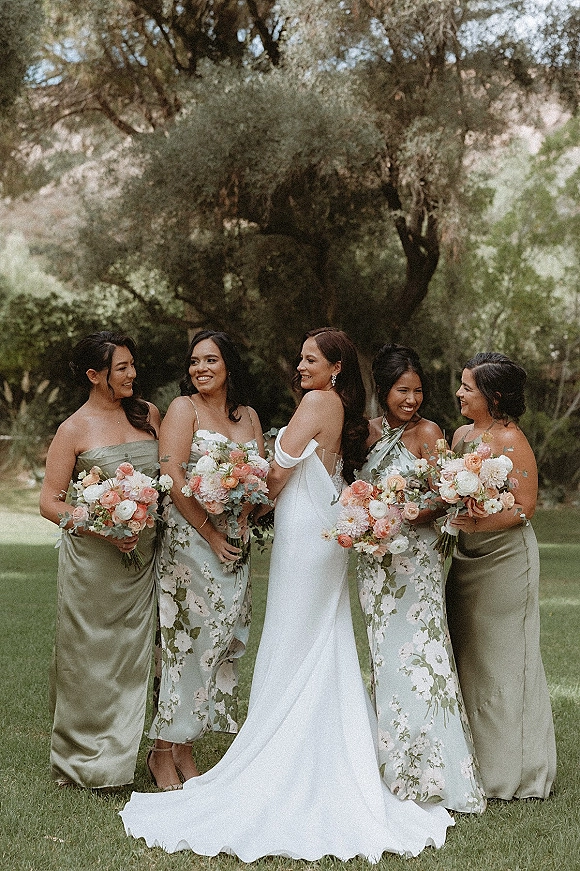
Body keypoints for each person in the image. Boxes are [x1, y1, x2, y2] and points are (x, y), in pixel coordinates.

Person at [120, 327, 453, 861]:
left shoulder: (318, 402)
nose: (300, 367)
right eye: (300, 358)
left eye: (310, 359)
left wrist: (241, 507)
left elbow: (276, 475)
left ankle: (286, 757)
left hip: (304, 533)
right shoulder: (335, 405)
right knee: (317, 640)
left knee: (293, 639)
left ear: (335, 368)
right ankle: (319, 751)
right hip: (320, 527)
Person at [356, 344, 486, 813]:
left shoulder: (429, 432)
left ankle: (438, 771)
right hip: (376, 564)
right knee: (386, 659)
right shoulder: (365, 434)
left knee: (425, 656)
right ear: (382, 389)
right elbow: (353, 488)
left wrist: (410, 511)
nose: (411, 399)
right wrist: (365, 517)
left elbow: (449, 493)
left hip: (418, 562)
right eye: (401, 390)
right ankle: (392, 768)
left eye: (417, 391)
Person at [39, 331, 161, 789]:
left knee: (134, 657)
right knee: (89, 656)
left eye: (132, 365)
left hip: (145, 557)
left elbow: (167, 478)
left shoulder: (148, 414)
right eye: (121, 368)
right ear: (94, 375)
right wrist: (101, 527)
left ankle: (126, 754)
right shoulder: (72, 429)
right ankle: (82, 760)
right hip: (93, 561)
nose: (132, 374)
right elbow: (50, 502)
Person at [146, 330, 266, 792]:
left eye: (210, 360)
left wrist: (246, 512)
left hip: (234, 542)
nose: (200, 368)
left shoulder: (248, 415)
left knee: (218, 642)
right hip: (191, 542)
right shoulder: (184, 409)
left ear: (228, 365)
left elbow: (258, 477)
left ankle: (185, 745)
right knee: (185, 643)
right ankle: (163, 752)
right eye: (195, 361)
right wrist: (211, 533)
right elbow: (172, 475)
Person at [446, 352, 557, 800]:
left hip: (506, 560)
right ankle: (476, 761)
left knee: (506, 658)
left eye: (467, 387)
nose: (459, 393)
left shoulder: (512, 439)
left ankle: (520, 772)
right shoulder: (460, 436)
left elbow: (525, 507)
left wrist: (478, 523)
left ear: (492, 396)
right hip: (466, 557)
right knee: (471, 655)